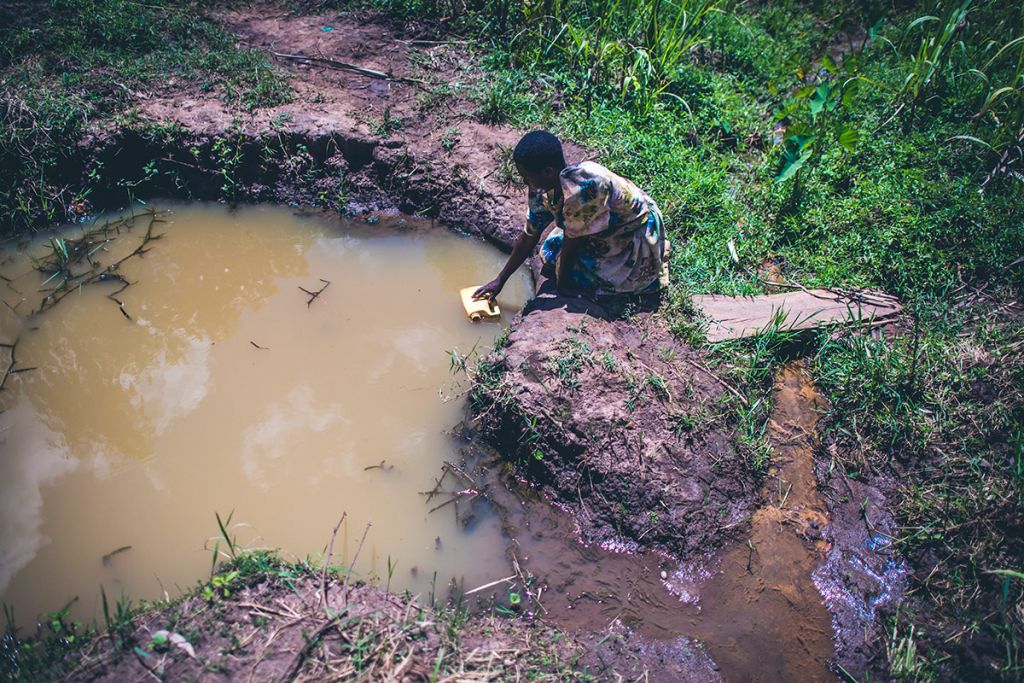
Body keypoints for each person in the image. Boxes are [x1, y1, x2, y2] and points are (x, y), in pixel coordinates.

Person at [474, 130, 666, 303]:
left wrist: (563, 284)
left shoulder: (583, 190)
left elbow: (571, 241)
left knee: (584, 277)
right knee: (551, 252)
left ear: (548, 172)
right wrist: (500, 280)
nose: (525, 182)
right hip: (599, 225)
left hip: (630, 230)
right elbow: (529, 236)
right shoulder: (541, 188)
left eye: (528, 177)